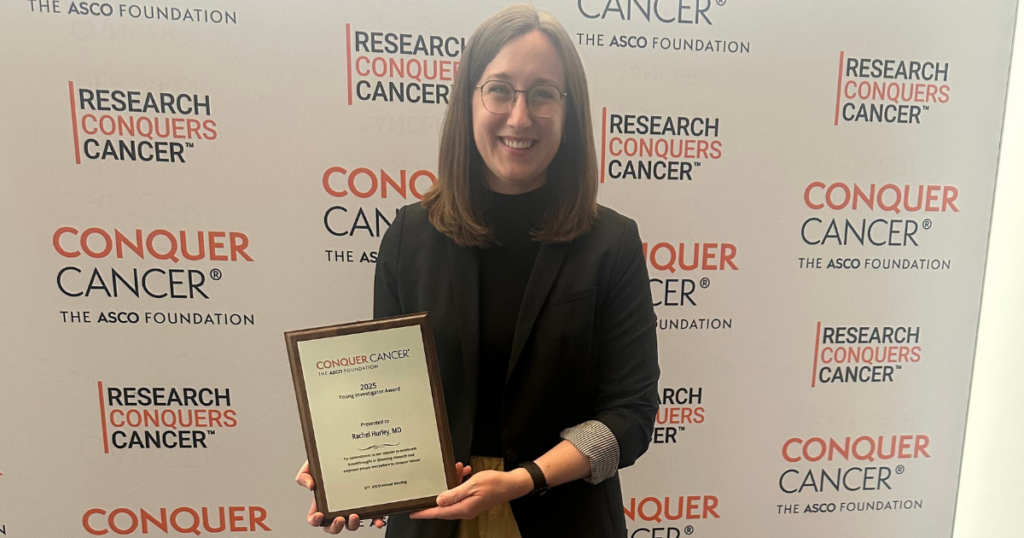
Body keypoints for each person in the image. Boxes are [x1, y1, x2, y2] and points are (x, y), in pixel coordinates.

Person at [297, 5, 660, 537]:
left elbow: (630, 415)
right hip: (434, 519)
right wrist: (348, 466)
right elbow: (387, 392)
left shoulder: (612, 242)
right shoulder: (408, 236)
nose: (519, 116)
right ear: (469, 101)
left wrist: (524, 479)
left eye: (542, 93)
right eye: (499, 89)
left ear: (569, 110)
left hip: (563, 515)